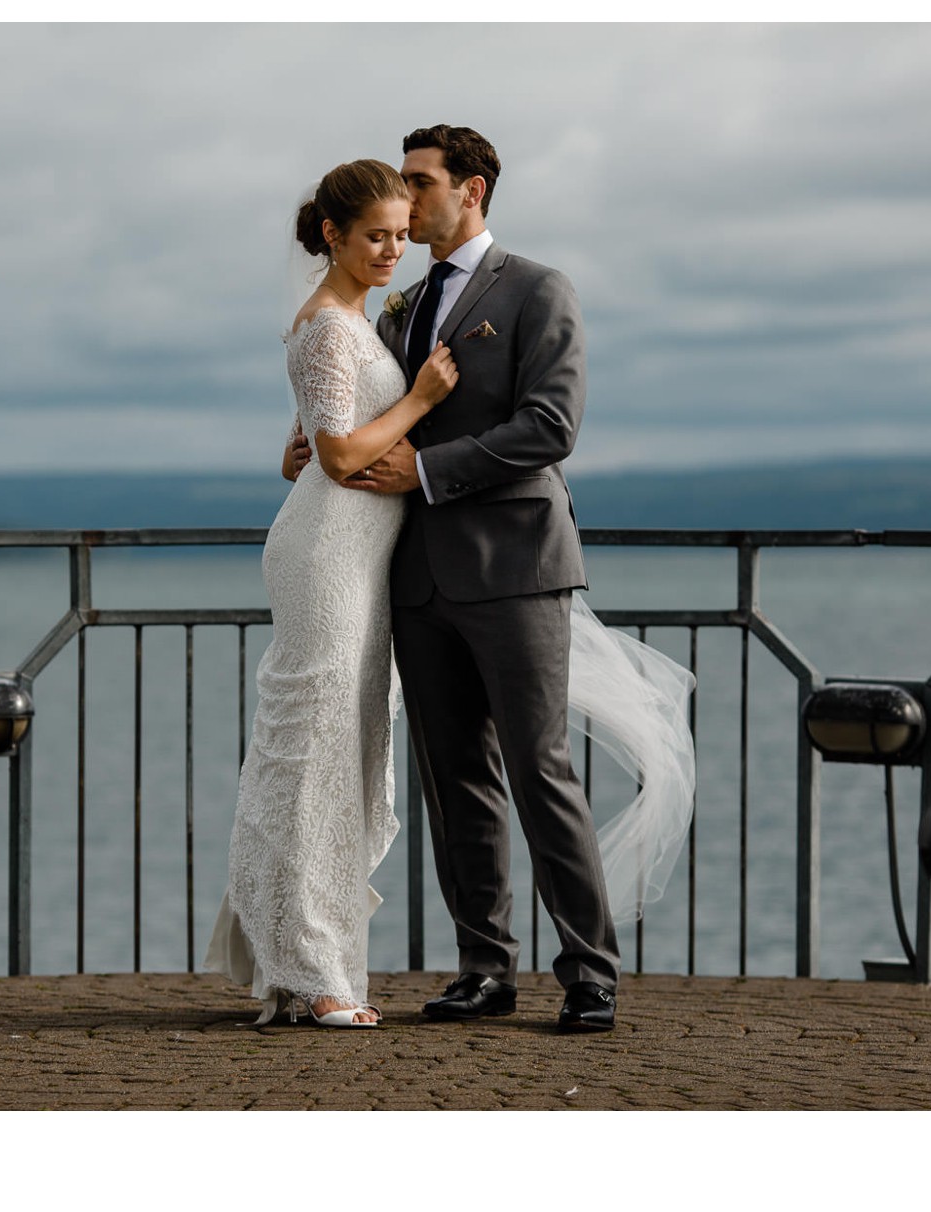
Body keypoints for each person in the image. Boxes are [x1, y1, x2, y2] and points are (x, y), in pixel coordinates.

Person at [293, 125, 692, 1033]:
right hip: (418, 579)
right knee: (455, 779)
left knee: (540, 769)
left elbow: (551, 426)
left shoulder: (538, 290)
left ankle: (590, 974)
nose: (407, 199)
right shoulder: (396, 310)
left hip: (516, 569)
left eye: (421, 183)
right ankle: (484, 968)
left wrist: (428, 472)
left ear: (470, 190)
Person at [204, 159, 458, 1028]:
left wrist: (301, 441)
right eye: (375, 236)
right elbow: (345, 461)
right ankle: (311, 974)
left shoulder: (352, 321)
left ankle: (298, 962)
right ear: (333, 238)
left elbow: (307, 445)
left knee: (341, 753)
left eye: (399, 233)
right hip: (326, 556)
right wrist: (421, 398)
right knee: (311, 752)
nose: (393, 250)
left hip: (359, 559)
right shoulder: (325, 326)